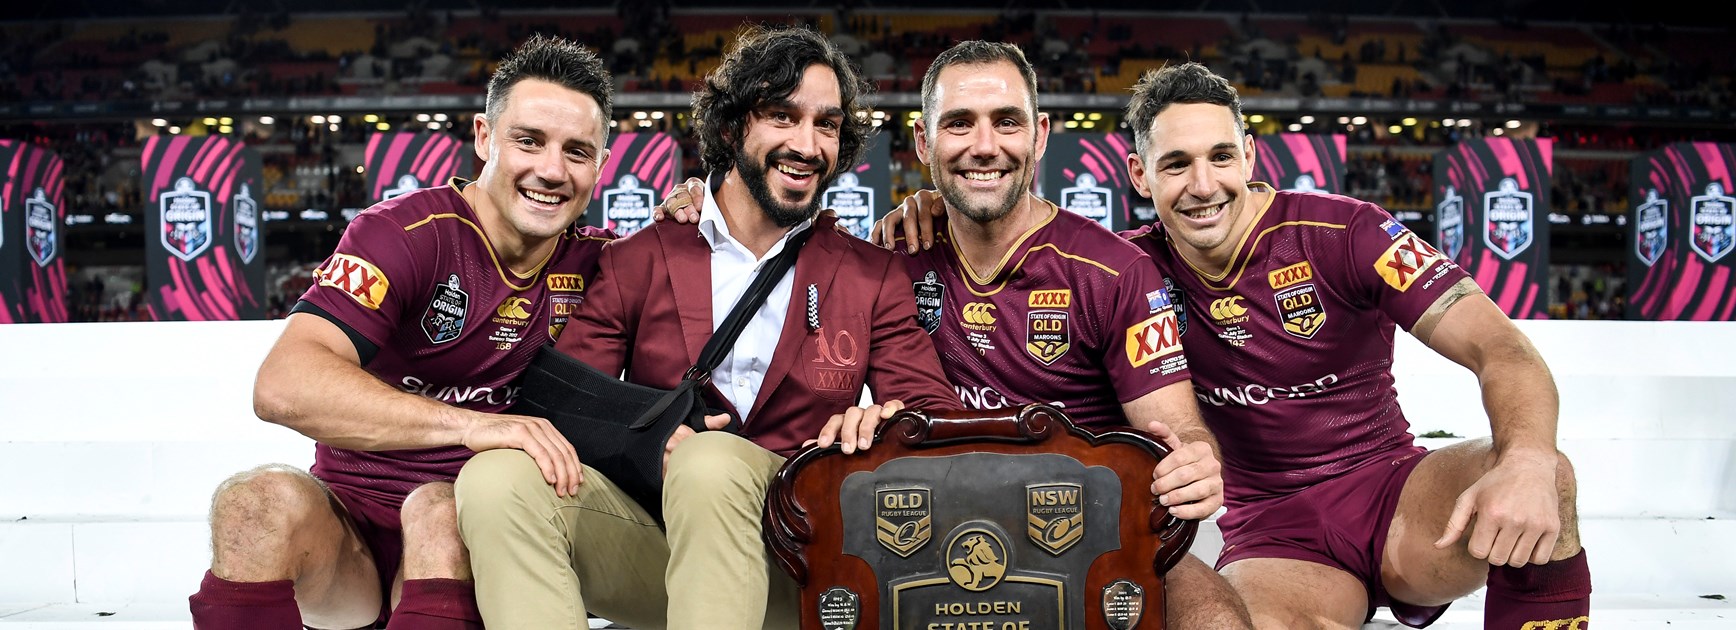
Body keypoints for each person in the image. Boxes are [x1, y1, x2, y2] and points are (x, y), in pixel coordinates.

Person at [881, 61, 1591, 630]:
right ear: (1139, 177)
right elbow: (1019, 238)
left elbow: (1504, 350)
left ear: (1249, 154)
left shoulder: (1351, 233)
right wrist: (930, 206)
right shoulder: (1126, 270)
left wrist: (1525, 457)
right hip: (1273, 534)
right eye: (1176, 164)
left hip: (1394, 493)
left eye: (1221, 156)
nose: (1203, 186)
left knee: (1547, 475)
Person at [657, 40, 1253, 630]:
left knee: (1216, 618)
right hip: (922, 522)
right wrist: (697, 200)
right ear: (924, 141)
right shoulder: (886, 256)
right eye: (960, 123)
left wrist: (1195, 462)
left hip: (1082, 520)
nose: (985, 146)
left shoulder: (1115, 271)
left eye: (1007, 122)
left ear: (1040, 134)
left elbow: (1176, 429)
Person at [452, 25, 958, 630]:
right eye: (781, 116)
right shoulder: (638, 256)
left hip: (803, 560)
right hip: (660, 552)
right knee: (496, 477)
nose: (807, 143)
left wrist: (888, 418)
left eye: (826, 124)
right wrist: (651, 435)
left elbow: (934, 412)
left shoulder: (872, 274)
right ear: (729, 128)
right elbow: (565, 401)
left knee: (711, 462)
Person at [188, 34, 616, 630]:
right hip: (350, 538)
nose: (551, 169)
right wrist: (474, 425)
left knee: (440, 512)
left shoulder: (606, 260)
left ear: (600, 165)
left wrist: (693, 206)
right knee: (250, 504)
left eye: (577, 151)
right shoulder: (406, 233)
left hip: (474, 536)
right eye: (528, 140)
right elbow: (282, 385)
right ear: (484, 137)